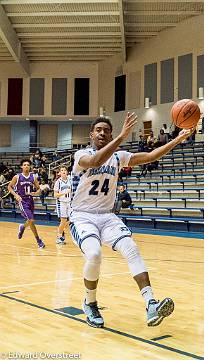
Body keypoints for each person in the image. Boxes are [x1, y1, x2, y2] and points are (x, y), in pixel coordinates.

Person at [70, 113, 191, 328]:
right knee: (95, 254)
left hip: (107, 216)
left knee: (132, 249)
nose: (102, 133)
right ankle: (90, 303)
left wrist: (177, 139)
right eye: (98, 130)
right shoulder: (82, 155)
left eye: (106, 130)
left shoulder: (118, 157)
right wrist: (122, 137)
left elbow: (152, 156)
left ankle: (151, 303)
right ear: (91, 134)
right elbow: (97, 160)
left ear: (110, 135)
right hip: (82, 216)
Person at [7, 159, 45, 249]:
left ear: (30, 166)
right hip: (22, 201)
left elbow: (39, 189)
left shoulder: (33, 177)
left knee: (31, 222)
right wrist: (16, 195)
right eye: (24, 165)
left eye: (28, 165)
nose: (26, 166)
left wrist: (36, 193)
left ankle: (26, 230)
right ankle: (38, 240)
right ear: (21, 166)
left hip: (30, 200)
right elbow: (9, 186)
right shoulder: (17, 177)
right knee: (31, 220)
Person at [54, 166, 71, 245]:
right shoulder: (58, 182)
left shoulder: (70, 180)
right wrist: (64, 193)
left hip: (70, 202)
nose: (63, 171)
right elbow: (55, 195)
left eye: (65, 170)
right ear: (60, 173)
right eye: (62, 170)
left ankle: (62, 231)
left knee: (72, 220)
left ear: (67, 172)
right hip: (61, 203)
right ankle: (59, 237)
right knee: (63, 221)